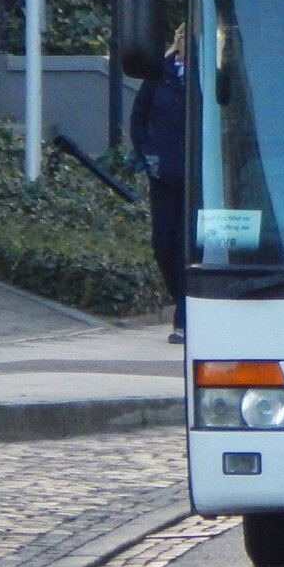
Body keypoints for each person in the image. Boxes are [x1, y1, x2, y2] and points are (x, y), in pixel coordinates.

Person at [130, 24, 188, 344]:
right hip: (163, 174)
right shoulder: (160, 73)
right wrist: (146, 151)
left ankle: (183, 318)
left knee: (185, 247)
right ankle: (181, 297)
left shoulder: (211, 74)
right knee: (163, 245)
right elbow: (139, 115)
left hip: (198, 178)